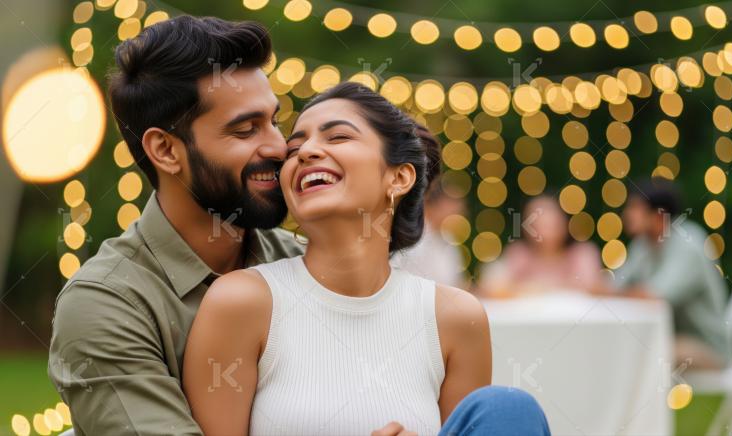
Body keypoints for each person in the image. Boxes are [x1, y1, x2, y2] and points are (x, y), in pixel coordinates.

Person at [182, 82, 551, 435]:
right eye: (295, 149)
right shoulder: (242, 302)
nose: (306, 152)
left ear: (400, 177)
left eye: (338, 136)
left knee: (508, 409)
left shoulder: (455, 317)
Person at [47, 16, 302, 434]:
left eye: (274, 120)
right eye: (245, 129)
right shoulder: (106, 305)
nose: (279, 146)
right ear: (165, 150)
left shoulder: (305, 263)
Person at [613, 178, 732, 369]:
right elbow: (615, 286)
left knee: (645, 353)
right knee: (630, 349)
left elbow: (653, 298)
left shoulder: (688, 245)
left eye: (635, 208)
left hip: (708, 347)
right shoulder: (643, 245)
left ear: (659, 215)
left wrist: (614, 294)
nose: (627, 215)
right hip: (668, 338)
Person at [478, 195, 603, 297]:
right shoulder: (520, 253)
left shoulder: (582, 253)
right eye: (537, 222)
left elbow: (595, 287)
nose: (545, 229)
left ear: (564, 222)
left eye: (551, 223)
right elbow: (493, 286)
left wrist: (535, 287)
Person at [391, 128, 467, 288]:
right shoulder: (412, 238)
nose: (459, 215)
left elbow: (455, 284)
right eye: (453, 209)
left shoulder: (449, 240)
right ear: (436, 205)